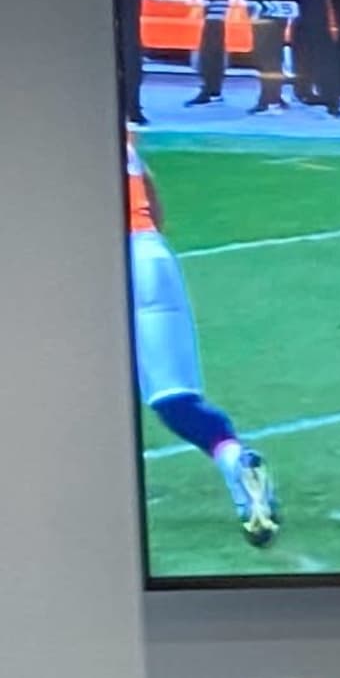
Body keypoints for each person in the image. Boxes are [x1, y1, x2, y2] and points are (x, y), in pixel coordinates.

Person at [126, 148, 277, 542]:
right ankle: (234, 461)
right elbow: (153, 200)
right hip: (150, 252)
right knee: (175, 398)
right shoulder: (120, 136)